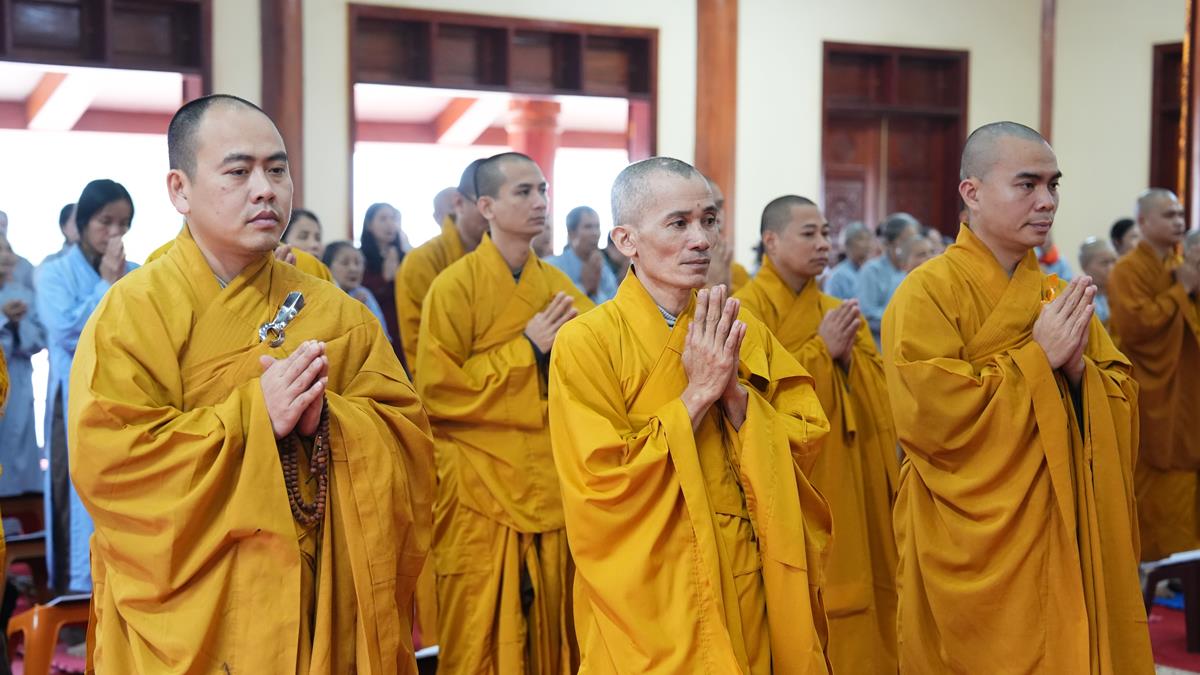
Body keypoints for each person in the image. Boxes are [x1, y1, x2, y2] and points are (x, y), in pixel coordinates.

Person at [68, 94, 435, 673]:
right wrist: (254, 415)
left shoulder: (335, 310)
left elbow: (408, 441)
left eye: (277, 170)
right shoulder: (133, 311)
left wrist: (327, 422)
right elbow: (111, 462)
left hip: (312, 606)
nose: (265, 189)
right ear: (180, 189)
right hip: (185, 612)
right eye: (238, 172)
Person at [883, 121, 1152, 673]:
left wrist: (1079, 374)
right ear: (972, 192)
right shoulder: (926, 293)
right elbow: (930, 419)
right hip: (967, 537)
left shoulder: (1059, 295)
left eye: (1054, 185)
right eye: (1027, 184)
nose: (1046, 201)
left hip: (1061, 524)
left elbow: (1119, 395)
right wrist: (1038, 360)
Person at [548, 157, 833, 673]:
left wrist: (737, 399)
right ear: (627, 240)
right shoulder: (586, 341)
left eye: (709, 221)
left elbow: (807, 433)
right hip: (650, 585)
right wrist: (697, 395)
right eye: (678, 223)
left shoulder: (740, 325)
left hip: (746, 570)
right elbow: (599, 481)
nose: (701, 239)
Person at [416, 152, 593, 674]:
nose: (540, 201)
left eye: (542, 190)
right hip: (478, 485)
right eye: (524, 192)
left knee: (554, 634)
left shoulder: (558, 289)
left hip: (550, 478)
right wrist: (525, 349)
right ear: (487, 206)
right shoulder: (453, 288)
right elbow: (437, 391)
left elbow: (599, 365)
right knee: (481, 634)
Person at [734, 195, 898, 673]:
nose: (824, 243)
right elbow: (748, 399)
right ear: (771, 241)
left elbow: (879, 392)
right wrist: (820, 351)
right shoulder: (745, 310)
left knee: (863, 584)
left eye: (826, 233)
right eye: (809, 234)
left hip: (849, 473)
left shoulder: (836, 309)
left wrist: (845, 359)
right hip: (790, 481)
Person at [36, 178, 137, 593]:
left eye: (123, 224)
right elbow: (66, 332)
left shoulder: (135, 274)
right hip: (72, 402)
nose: (114, 233)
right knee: (74, 497)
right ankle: (74, 596)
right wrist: (106, 285)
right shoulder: (52, 273)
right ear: (82, 222)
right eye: (105, 221)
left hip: (124, 402)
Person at [1108, 188, 1200, 562]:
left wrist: (1188, 288)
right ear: (1143, 222)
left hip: (1186, 390)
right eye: (1168, 215)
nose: (1178, 221)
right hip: (1150, 394)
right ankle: (1150, 567)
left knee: (1185, 475)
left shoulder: (1178, 266)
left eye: (1180, 214)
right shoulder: (1127, 270)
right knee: (1150, 476)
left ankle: (1183, 568)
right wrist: (1181, 291)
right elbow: (1135, 327)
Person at [396, 159, 491, 379]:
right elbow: (419, 346)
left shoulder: (509, 260)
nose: (491, 213)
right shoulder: (422, 261)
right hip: (445, 386)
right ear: (459, 203)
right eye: (484, 204)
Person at [0, 233, 45, 497]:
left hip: (18, 381)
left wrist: (16, 325)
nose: (6, 256)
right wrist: (3, 318)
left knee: (18, 445)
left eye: (8, 249)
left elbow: (39, 338)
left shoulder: (24, 295)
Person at [857, 212, 920, 349]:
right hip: (879, 346)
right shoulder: (872, 270)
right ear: (894, 242)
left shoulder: (912, 269)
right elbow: (867, 313)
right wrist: (901, 318)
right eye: (909, 239)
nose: (914, 244)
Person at [547, 205, 618, 303]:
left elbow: (614, 304)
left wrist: (595, 291)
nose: (595, 233)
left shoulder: (602, 267)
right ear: (571, 233)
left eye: (597, 227)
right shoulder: (552, 266)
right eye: (588, 227)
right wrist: (584, 287)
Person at [360, 202, 404, 348]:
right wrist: (385, 278)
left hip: (402, 328)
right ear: (369, 225)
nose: (390, 224)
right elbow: (361, 293)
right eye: (383, 219)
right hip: (375, 329)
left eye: (393, 218)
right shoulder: (360, 257)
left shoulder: (405, 256)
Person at [323, 240, 391, 336]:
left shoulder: (365, 294)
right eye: (345, 263)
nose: (353, 269)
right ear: (327, 267)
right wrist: (353, 310)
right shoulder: (324, 296)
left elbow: (382, 334)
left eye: (358, 263)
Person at [704, 179, 751, 292]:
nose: (716, 216)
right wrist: (713, 284)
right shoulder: (675, 273)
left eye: (719, 206)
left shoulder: (738, 272)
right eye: (707, 209)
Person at [824, 221, 872, 300]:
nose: (867, 244)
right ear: (848, 244)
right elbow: (832, 305)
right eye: (862, 239)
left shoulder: (871, 271)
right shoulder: (838, 276)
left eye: (869, 239)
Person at [1078, 236, 1118, 327]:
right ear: (1084, 267)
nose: (1111, 268)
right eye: (1104, 263)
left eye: (1114, 261)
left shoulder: (1125, 290)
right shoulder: (1081, 302)